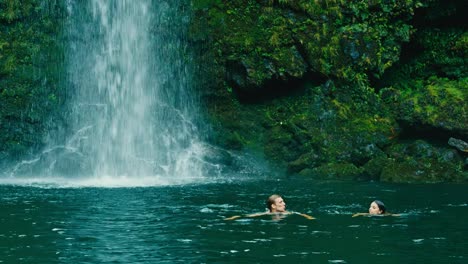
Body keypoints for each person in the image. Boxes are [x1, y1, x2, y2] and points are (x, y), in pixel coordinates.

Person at [224, 194, 315, 220]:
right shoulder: (266, 214)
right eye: (281, 202)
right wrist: (235, 217)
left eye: (283, 201)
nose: (284, 204)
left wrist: (308, 217)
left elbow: (299, 214)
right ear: (273, 206)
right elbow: (249, 216)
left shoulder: (287, 212)